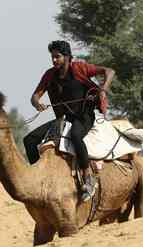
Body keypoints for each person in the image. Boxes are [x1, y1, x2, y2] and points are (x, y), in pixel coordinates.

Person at [23, 40, 114, 201]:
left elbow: (109, 71)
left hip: (84, 115)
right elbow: (35, 96)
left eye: (57, 57)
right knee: (29, 140)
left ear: (67, 56)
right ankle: (39, 177)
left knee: (76, 136)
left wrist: (103, 89)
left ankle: (88, 177)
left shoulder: (80, 68)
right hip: (64, 119)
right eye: (52, 57)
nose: (54, 60)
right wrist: (37, 103)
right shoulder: (50, 74)